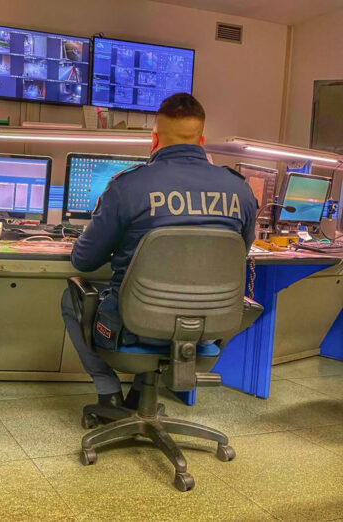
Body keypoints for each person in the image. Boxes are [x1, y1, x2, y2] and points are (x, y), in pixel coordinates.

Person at [61, 92, 257, 412]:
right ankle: (140, 394)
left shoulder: (127, 186)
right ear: (201, 140)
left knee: (72, 296)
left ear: (154, 139)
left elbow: (83, 261)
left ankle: (108, 392)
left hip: (133, 328)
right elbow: (239, 253)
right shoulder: (241, 190)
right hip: (205, 331)